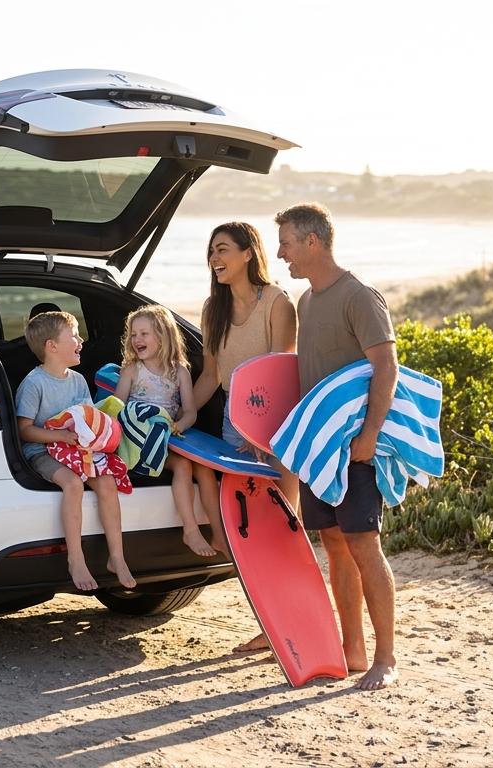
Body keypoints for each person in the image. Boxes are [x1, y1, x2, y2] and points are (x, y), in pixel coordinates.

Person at [275, 202, 399, 691]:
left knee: (364, 545)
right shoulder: (306, 302)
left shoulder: (358, 296)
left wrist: (369, 435)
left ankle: (386, 658)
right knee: (333, 544)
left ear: (312, 242)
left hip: (354, 446)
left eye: (286, 242)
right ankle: (352, 650)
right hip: (318, 447)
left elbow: (385, 368)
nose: (281, 252)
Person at [190, 221, 298, 654]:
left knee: (287, 525)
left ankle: (294, 622)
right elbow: (212, 376)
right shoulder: (212, 309)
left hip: (277, 424)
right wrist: (182, 417)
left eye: (223, 250)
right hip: (235, 426)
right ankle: (270, 626)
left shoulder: (277, 302)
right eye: (211, 251)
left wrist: (263, 430)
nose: (215, 258)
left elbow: (283, 371)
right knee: (251, 535)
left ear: (248, 253)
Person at [17, 311, 135, 591]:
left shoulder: (79, 380)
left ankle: (116, 557)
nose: (81, 340)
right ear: (52, 346)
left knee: (107, 482)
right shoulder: (34, 384)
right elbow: (24, 430)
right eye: (74, 336)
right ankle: (76, 558)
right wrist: (58, 436)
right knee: (72, 484)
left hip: (74, 447)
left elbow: (86, 417)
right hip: (42, 449)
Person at [110, 305, 210, 556]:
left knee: (194, 465)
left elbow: (190, 412)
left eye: (144, 333)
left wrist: (180, 426)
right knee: (183, 466)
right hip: (136, 439)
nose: (137, 340)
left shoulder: (180, 371)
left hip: (166, 437)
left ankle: (203, 530)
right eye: (133, 334)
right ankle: (191, 530)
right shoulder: (132, 370)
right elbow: (116, 410)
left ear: (163, 336)